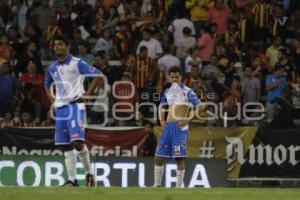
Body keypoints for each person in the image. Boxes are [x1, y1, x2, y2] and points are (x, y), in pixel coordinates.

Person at [44, 35, 102, 187]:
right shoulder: (52, 68)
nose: (57, 47)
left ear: (68, 46)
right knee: (65, 146)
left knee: (77, 142)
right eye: (55, 45)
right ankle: (72, 180)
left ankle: (90, 174)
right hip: (61, 109)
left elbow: (98, 75)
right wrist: (52, 100)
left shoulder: (77, 63)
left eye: (60, 44)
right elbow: (46, 84)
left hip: (75, 106)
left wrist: (87, 94)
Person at [154, 66, 202, 188]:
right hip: (168, 127)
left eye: (177, 77)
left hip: (179, 128)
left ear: (181, 77)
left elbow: (201, 106)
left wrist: (188, 119)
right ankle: (156, 185)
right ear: (169, 77)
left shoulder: (187, 91)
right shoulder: (167, 91)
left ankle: (178, 187)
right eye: (172, 77)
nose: (174, 79)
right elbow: (161, 105)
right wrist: (161, 120)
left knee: (178, 158)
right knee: (159, 157)